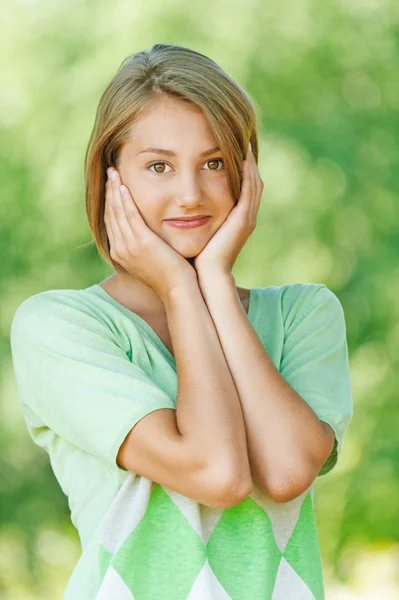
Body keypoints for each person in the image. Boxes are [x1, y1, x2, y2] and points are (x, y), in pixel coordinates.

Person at [10, 43, 353, 600]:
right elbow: (218, 474)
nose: (190, 193)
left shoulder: (303, 315)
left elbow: (288, 473)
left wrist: (212, 281)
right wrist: (177, 284)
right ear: (111, 176)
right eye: (159, 166)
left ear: (246, 175)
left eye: (214, 163)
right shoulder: (61, 327)